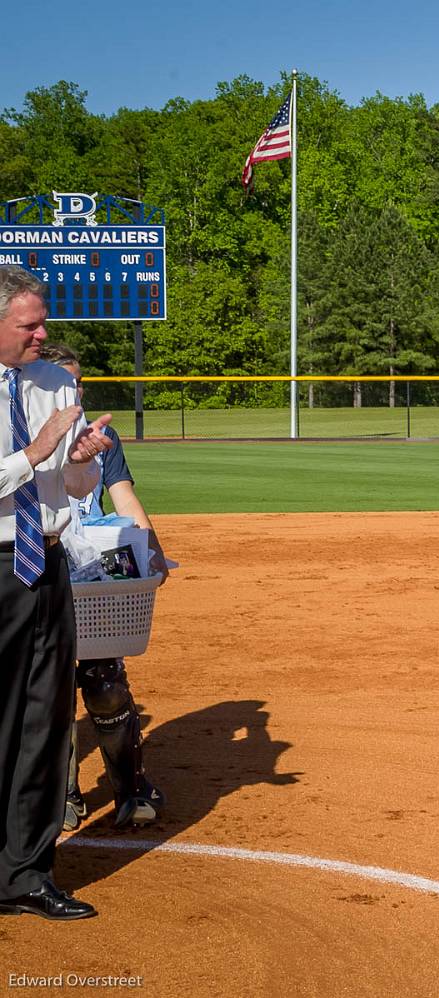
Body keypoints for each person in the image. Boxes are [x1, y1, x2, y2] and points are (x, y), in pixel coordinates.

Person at [0, 266, 114, 920]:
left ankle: (26, 873)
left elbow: (72, 488)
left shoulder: (54, 384)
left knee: (44, 722)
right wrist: (34, 451)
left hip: (43, 564)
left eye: (43, 322)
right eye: (29, 325)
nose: (43, 334)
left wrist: (79, 457)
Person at [39, 343, 168, 831]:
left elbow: (122, 495)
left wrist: (150, 549)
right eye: (62, 382)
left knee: (104, 682)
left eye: (77, 383)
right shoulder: (23, 429)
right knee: (48, 687)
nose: (73, 392)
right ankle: (63, 795)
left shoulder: (101, 434)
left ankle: (131, 788)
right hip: (45, 560)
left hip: (98, 564)